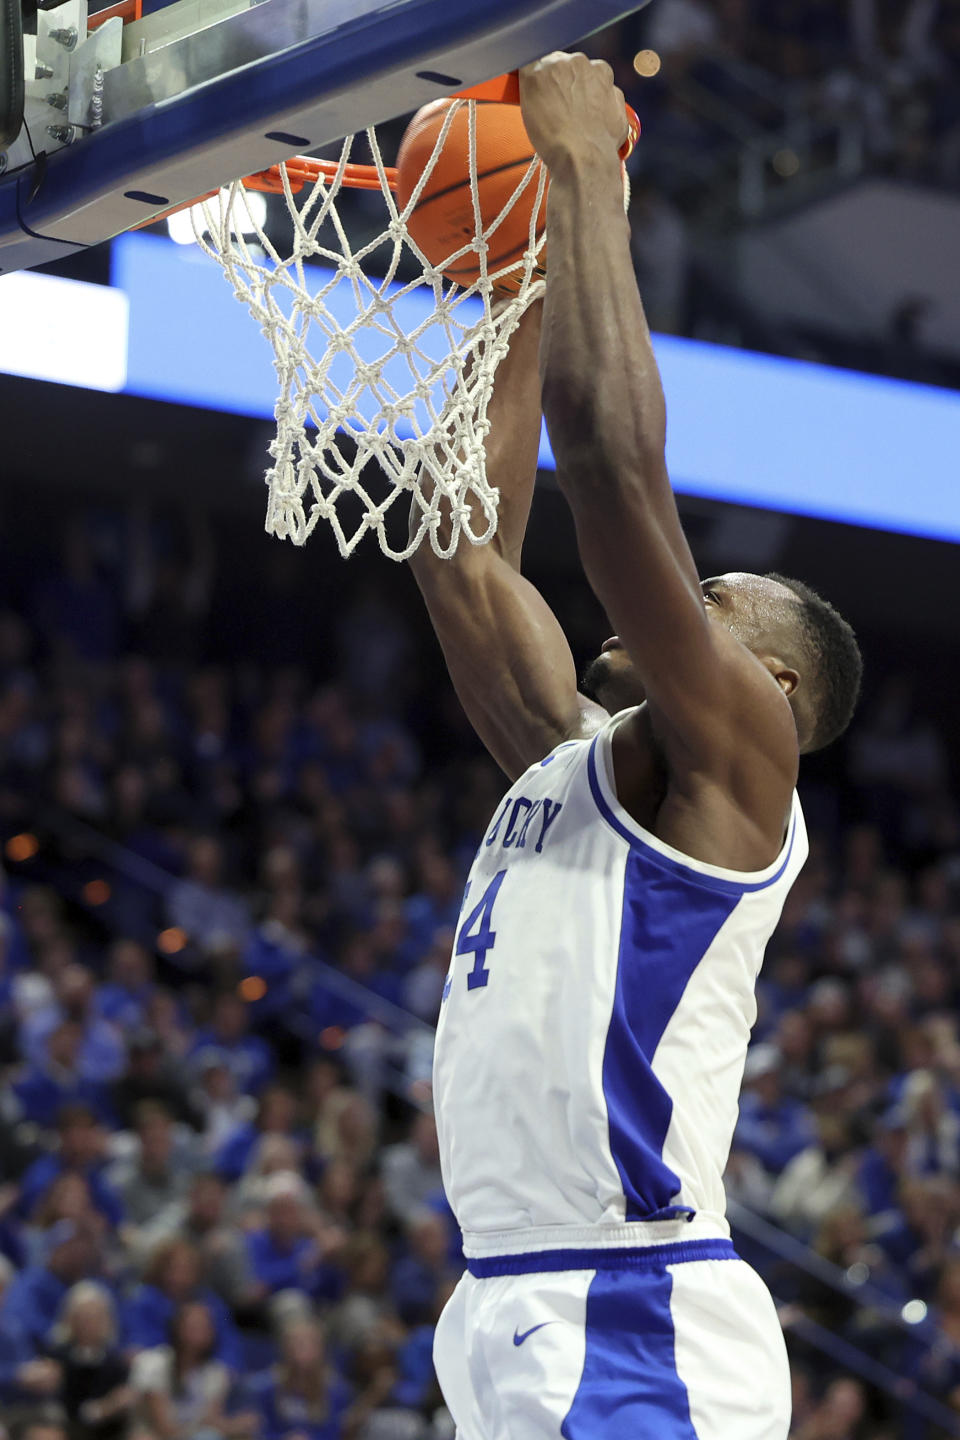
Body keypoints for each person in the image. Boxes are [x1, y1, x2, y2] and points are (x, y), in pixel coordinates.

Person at [408, 52, 862, 1439]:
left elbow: (610, 476)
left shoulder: (737, 766)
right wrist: (518, 292)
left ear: (771, 683)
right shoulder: (575, 759)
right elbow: (456, 547)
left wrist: (586, 181)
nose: (691, 598)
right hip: (510, 1301)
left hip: (632, 1308)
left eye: (717, 600)